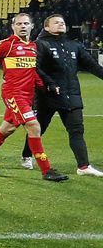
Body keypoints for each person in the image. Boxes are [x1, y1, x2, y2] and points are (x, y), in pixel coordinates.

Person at [0, 12, 66, 181]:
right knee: (34, 126)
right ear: (13, 27)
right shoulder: (7, 45)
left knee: (7, 128)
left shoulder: (34, 47)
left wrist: (44, 87)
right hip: (13, 93)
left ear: (32, 26)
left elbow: (32, 72)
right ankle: (47, 170)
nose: (22, 26)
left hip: (28, 96)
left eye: (26, 24)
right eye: (19, 24)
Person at [17, 14, 103, 176]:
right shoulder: (40, 45)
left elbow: (92, 65)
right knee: (38, 128)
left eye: (62, 22)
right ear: (47, 27)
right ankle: (27, 155)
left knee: (76, 130)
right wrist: (50, 83)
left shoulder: (74, 45)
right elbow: (35, 67)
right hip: (47, 96)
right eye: (56, 22)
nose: (61, 24)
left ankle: (83, 166)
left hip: (71, 95)